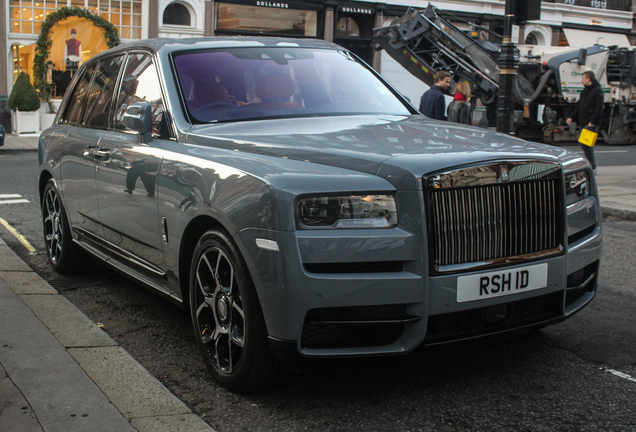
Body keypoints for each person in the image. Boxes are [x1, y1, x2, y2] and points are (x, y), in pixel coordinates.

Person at [567, 70, 603, 171]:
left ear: (588, 79)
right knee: (585, 145)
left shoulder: (597, 91)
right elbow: (579, 106)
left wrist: (593, 120)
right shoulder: (585, 92)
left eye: (583, 78)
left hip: (591, 123)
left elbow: (598, 108)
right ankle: (591, 165)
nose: (581, 80)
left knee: (586, 144)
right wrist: (572, 117)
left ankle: (592, 166)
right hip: (584, 121)